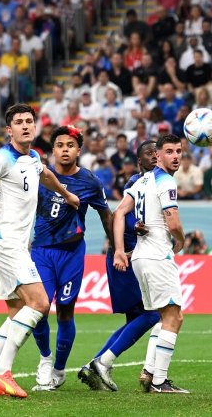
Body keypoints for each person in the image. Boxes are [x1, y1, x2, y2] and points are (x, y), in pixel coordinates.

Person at [0, 104, 80, 398]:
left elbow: (45, 175)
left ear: (35, 126)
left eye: (29, 121)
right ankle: (1, 371)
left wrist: (66, 193)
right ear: (9, 130)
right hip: (5, 242)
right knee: (40, 303)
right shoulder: (1, 158)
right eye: (18, 122)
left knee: (17, 311)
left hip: (14, 243)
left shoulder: (32, 157)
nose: (25, 126)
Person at [30, 125, 113, 391]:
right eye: (60, 145)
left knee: (65, 311)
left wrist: (117, 245)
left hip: (72, 254)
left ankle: (58, 370)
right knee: (39, 309)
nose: (65, 150)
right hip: (41, 252)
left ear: (78, 150)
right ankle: (45, 359)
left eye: (70, 146)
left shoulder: (90, 181)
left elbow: (105, 214)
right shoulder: (38, 174)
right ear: (52, 150)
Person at [78, 141, 161, 391]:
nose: (155, 156)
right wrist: (122, 248)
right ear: (139, 161)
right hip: (125, 257)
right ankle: (103, 362)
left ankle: (95, 364)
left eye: (158, 152)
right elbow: (119, 216)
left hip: (130, 256)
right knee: (153, 314)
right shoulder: (140, 182)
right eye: (150, 153)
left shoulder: (153, 182)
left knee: (137, 318)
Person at [112, 134, 189, 394]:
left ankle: (149, 371)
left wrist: (121, 250)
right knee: (174, 316)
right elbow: (173, 221)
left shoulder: (142, 180)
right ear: (158, 156)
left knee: (162, 316)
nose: (176, 156)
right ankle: (160, 381)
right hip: (157, 256)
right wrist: (181, 239)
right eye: (169, 151)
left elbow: (120, 212)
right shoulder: (166, 181)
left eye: (179, 151)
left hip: (141, 257)